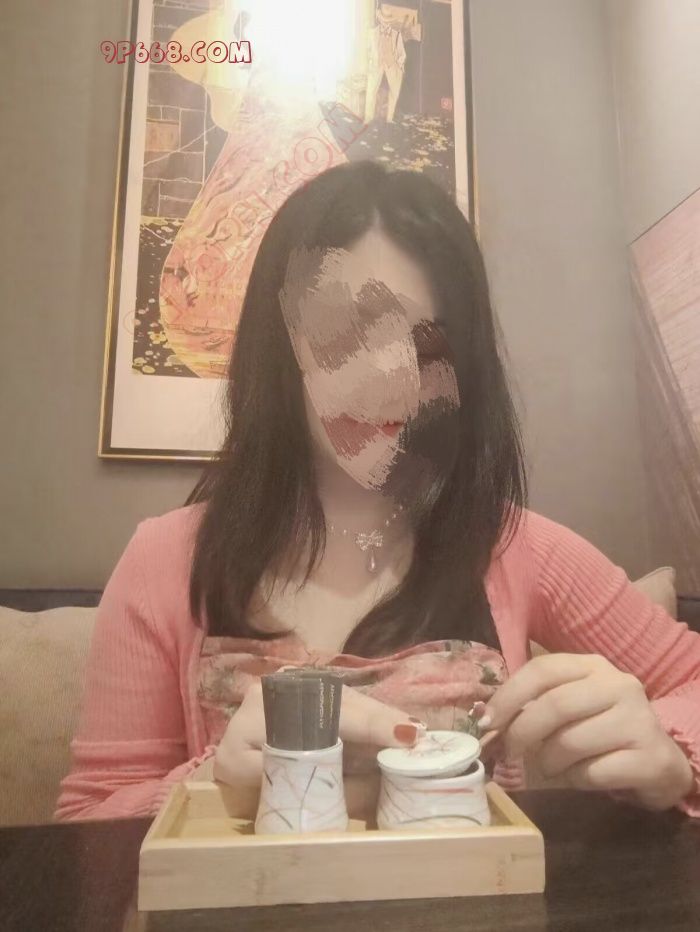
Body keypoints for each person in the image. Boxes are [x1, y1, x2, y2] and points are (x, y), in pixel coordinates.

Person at [54, 161, 700, 823]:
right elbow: (88, 820)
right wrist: (212, 782)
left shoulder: (513, 545)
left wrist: (672, 750)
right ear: (280, 343)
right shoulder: (164, 561)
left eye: (427, 339)